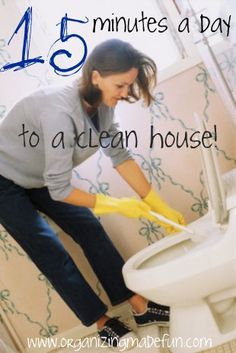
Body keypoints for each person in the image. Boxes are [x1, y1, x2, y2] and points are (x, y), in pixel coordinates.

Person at [0, 39, 185, 349]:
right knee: (49, 249)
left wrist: (158, 205)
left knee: (88, 226)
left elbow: (120, 156)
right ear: (96, 76)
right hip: (4, 178)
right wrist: (116, 204)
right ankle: (103, 323)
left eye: (129, 85)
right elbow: (59, 187)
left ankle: (139, 306)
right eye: (121, 85)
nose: (126, 93)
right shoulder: (58, 111)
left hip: (41, 173)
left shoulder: (103, 107)